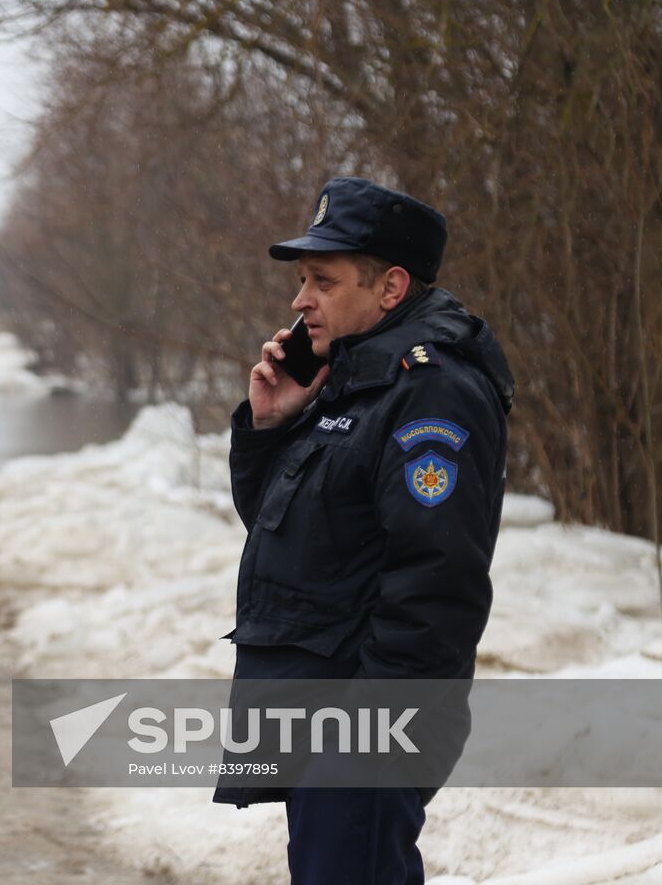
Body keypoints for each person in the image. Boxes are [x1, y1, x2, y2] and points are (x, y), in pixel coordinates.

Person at [210, 177, 515, 884]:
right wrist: (270, 426)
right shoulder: (353, 378)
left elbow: (437, 581)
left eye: (323, 281)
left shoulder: (431, 391)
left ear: (390, 288)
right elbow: (292, 538)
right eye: (301, 280)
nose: (300, 300)